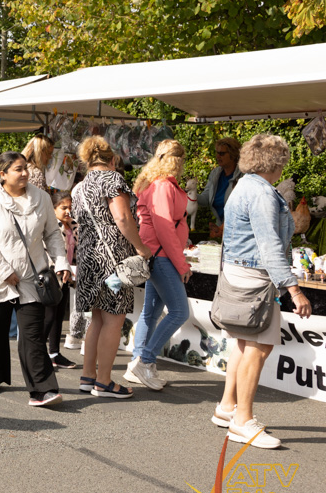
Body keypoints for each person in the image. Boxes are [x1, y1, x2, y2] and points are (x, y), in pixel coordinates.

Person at [213, 134, 311, 449]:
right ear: (277, 162)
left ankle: (228, 407)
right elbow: (269, 247)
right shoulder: (263, 194)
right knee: (259, 347)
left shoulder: (243, 186)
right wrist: (294, 291)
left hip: (239, 273)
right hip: (256, 278)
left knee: (244, 342)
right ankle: (242, 420)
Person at [0, 152, 71, 406]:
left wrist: (61, 263)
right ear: (2, 174)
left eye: (25, 168)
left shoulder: (42, 198)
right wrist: (4, 271)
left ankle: (42, 389)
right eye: (18, 169)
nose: (25, 173)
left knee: (33, 335)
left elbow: (52, 234)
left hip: (32, 278)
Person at [71, 136, 152, 399]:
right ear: (112, 158)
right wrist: (140, 247)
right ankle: (104, 381)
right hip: (112, 258)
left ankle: (88, 377)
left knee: (97, 318)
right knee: (114, 321)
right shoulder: (113, 180)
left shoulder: (79, 187)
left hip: (87, 257)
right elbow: (122, 217)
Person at [125, 140, 191, 392]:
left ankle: (138, 364)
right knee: (179, 313)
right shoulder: (164, 186)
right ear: (178, 161)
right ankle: (146, 360)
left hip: (157, 255)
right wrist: (182, 264)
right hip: (163, 256)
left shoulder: (155, 184)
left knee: (151, 313)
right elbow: (164, 228)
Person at [43, 191, 79, 370]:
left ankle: (54, 353)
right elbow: (47, 251)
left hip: (68, 277)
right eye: (63, 207)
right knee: (48, 317)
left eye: (70, 208)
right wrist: (57, 268)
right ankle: (39, 353)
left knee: (58, 317)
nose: (67, 211)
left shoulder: (73, 227)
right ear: (53, 208)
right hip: (52, 276)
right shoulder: (51, 227)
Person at [196, 137, 242, 235]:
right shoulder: (215, 174)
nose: (217, 156)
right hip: (220, 230)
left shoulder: (242, 176)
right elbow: (205, 199)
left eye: (222, 154)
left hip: (238, 231)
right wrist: (188, 195)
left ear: (233, 155)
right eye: (217, 153)